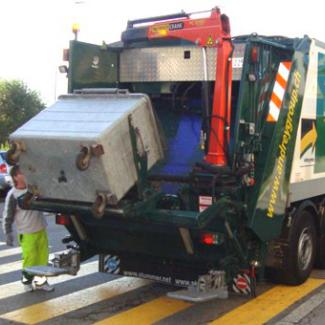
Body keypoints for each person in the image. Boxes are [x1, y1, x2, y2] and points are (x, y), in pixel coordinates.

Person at [2, 165, 54, 292]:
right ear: (15, 177)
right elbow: (7, 216)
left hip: (41, 228)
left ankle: (41, 282)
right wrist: (8, 233)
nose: (25, 175)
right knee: (30, 259)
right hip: (27, 232)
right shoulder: (12, 195)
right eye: (22, 173)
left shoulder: (33, 190)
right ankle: (27, 281)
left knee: (42, 258)